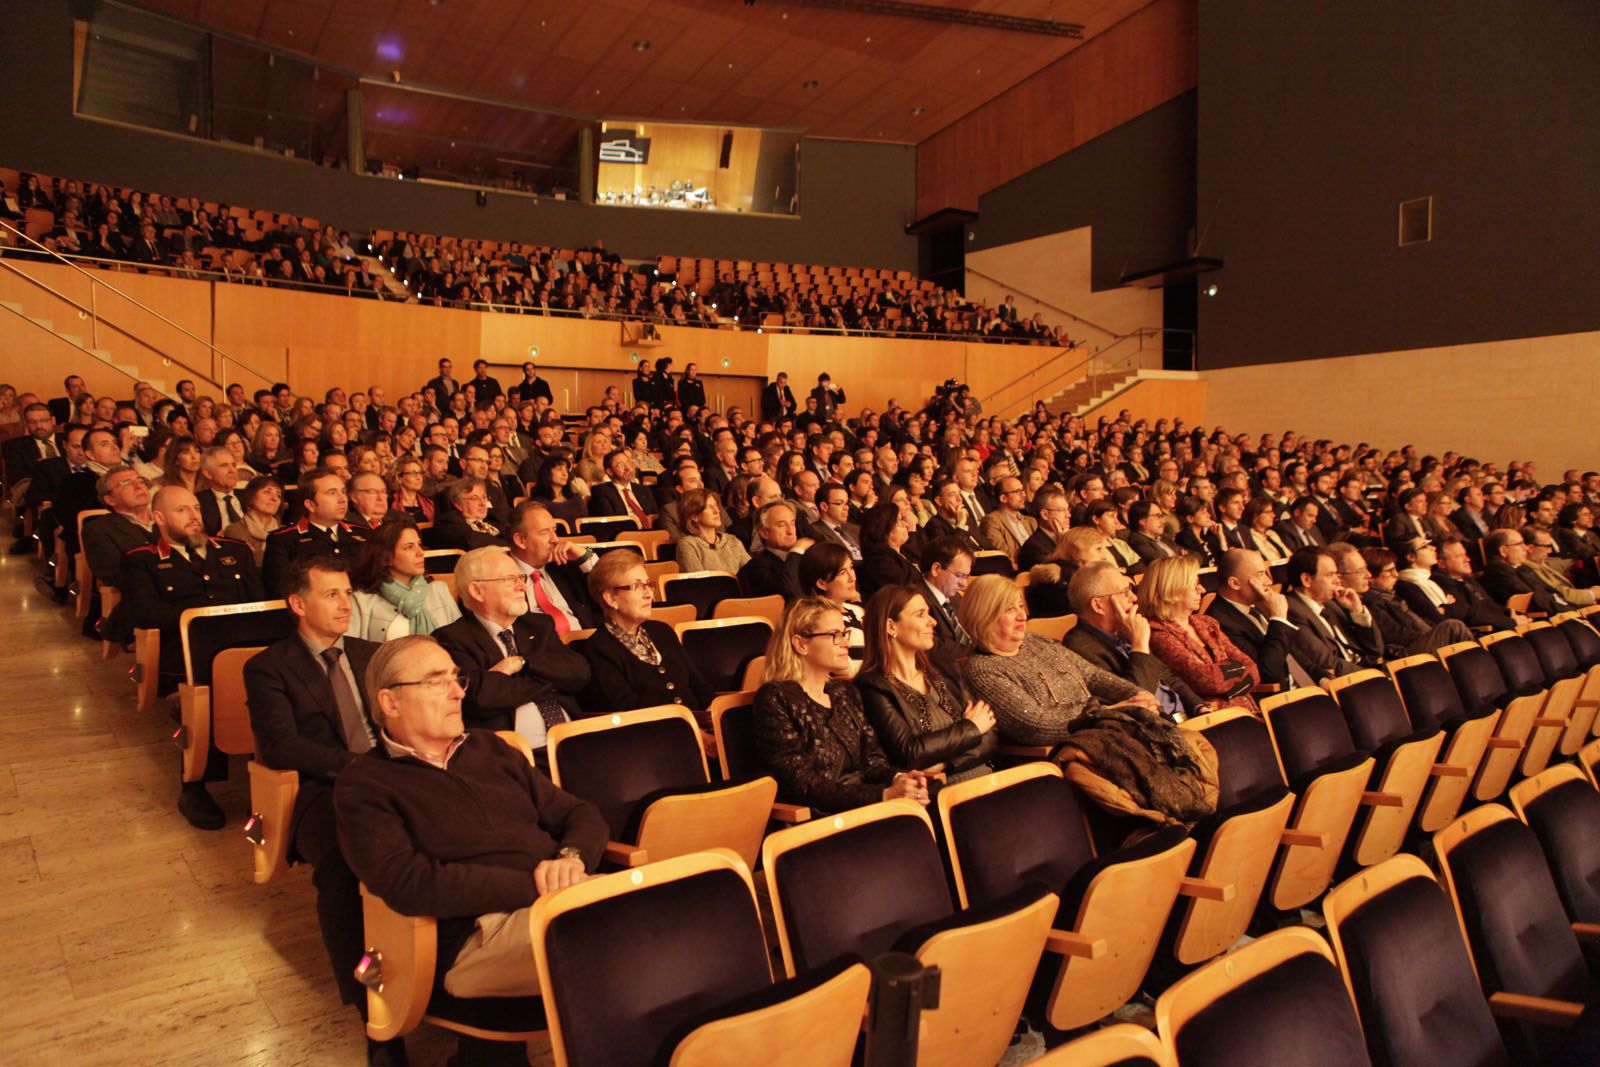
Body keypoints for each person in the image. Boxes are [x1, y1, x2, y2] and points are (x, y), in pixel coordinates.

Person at [334, 635, 607, 1066]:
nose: (458, 691)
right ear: (390, 702)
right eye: (435, 680)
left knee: (677, 906)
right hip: (474, 936)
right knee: (626, 938)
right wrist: (536, 884)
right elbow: (410, 883)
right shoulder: (365, 784)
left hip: (558, 897)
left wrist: (571, 858)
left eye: (455, 677)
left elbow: (579, 813)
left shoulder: (490, 747)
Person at [241, 556, 395, 1061]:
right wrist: (357, 767)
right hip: (320, 788)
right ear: (298, 603)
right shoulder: (269, 666)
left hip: (394, 773)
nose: (345, 604)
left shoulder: (372, 654)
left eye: (348, 593)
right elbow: (282, 745)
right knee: (343, 862)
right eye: (332, 594)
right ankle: (369, 1009)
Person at [110, 485, 264, 828]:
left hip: (242, 647)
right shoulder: (142, 559)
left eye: (196, 507)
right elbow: (145, 612)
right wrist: (205, 616)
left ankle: (273, 775)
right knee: (207, 686)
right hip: (183, 653)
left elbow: (260, 602)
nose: (195, 515)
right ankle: (193, 784)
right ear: (158, 518)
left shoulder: (235, 551)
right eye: (182, 510)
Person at [753, 597, 930, 813]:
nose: (845, 642)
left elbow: (873, 760)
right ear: (800, 644)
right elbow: (802, 785)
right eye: (834, 635)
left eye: (844, 633)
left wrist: (900, 779)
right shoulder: (775, 697)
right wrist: (883, 795)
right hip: (820, 819)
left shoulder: (844, 691)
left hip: (865, 807)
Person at [959, 574, 1155, 745]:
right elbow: (1036, 725)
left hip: (1102, 731)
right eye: (1010, 609)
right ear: (985, 616)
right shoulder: (982, 669)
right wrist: (1110, 712)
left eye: (1021, 606)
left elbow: (1092, 675)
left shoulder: (1035, 641)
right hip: (1074, 749)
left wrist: (1138, 694)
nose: (1022, 616)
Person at [433, 546, 591, 748]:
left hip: (573, 742)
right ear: (477, 591)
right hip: (514, 756)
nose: (522, 587)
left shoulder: (539, 625)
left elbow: (579, 673)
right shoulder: (451, 639)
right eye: (510, 580)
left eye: (521, 578)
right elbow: (480, 699)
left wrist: (520, 663)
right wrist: (547, 681)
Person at [856, 584, 997, 780]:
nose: (933, 622)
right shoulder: (873, 685)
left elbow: (988, 734)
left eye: (929, 613)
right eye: (920, 614)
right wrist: (971, 728)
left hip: (985, 777)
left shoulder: (945, 670)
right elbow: (909, 753)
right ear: (890, 626)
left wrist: (947, 764)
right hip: (940, 793)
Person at [578, 549, 713, 713]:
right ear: (611, 598)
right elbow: (626, 710)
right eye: (637, 586)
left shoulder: (662, 631)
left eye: (649, 584)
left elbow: (700, 688)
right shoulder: (599, 648)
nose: (649, 594)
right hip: (656, 735)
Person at [1066, 561, 1201, 720]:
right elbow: (1135, 703)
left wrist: (1199, 707)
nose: (1134, 597)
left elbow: (1167, 676)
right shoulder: (1080, 649)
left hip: (1187, 718)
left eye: (1130, 589)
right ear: (1098, 606)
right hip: (1157, 729)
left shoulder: (1124, 629)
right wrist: (1140, 646)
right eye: (1125, 592)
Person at [1139, 555, 1262, 713]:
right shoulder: (1157, 633)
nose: (1202, 590)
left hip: (1245, 711)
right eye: (1195, 585)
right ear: (1172, 591)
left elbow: (1252, 669)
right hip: (1211, 720)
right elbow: (1208, 680)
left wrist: (1226, 692)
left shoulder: (1207, 623)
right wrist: (1237, 674)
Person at [1204, 549, 1307, 689]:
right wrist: (1278, 618)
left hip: (1304, 686)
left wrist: (1321, 677)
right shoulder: (1219, 622)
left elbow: (1293, 653)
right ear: (1235, 583)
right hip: (1277, 697)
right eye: (1260, 574)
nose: (1269, 581)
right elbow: (1267, 674)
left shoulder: (1258, 604)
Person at [346, 518, 462, 642]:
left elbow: (461, 642)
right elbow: (353, 652)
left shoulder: (439, 590)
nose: (420, 552)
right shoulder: (361, 601)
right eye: (409, 547)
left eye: (419, 545)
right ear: (386, 557)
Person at [262, 468, 370, 596]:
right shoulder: (283, 540)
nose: (342, 499)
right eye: (332, 493)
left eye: (343, 492)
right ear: (310, 505)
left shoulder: (364, 534)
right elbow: (281, 591)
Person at [1355, 544, 1473, 656]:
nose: (1396, 575)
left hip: (1419, 640)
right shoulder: (1371, 602)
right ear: (1372, 576)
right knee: (1453, 627)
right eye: (1389, 571)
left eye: (1395, 569)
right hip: (1405, 651)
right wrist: (1427, 635)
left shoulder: (1393, 597)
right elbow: (1390, 636)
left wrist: (1433, 632)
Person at [1283, 546, 1382, 678]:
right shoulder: (1292, 611)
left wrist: (1357, 611)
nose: (1337, 580)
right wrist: (1374, 675)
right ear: (1307, 579)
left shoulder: (1332, 603)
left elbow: (1376, 650)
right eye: (1330, 575)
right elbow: (1327, 663)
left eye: (1336, 574)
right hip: (1346, 681)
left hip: (1362, 670)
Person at [507, 500, 599, 633]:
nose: (555, 539)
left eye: (554, 530)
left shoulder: (565, 565)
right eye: (544, 532)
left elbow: (611, 586)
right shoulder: (501, 576)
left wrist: (584, 555)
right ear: (520, 540)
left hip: (587, 643)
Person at [797, 542, 866, 674]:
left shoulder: (857, 611)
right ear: (822, 583)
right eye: (842, 573)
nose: (852, 578)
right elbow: (848, 672)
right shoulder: (817, 620)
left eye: (851, 568)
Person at [1431, 533, 1517, 631]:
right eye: (1459, 556)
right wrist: (1511, 622)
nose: (1467, 559)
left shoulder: (1467, 578)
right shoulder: (1443, 583)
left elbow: (1489, 605)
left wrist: (1511, 613)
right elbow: (1473, 616)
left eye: (1465, 554)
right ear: (1442, 564)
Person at [739, 500, 807, 598]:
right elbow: (789, 590)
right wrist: (796, 550)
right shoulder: (757, 566)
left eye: (792, 523)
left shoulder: (807, 556)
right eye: (782, 525)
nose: (791, 531)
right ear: (764, 533)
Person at [673, 489, 750, 573]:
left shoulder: (732, 540)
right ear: (694, 516)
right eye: (709, 507)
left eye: (716, 506)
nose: (717, 511)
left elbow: (752, 573)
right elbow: (699, 583)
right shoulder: (688, 545)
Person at [857, 500, 920, 600]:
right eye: (899, 521)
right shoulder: (877, 559)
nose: (906, 525)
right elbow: (906, 588)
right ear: (883, 528)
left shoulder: (902, 553)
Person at [426, 477, 506, 551]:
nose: (482, 503)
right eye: (474, 498)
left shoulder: (493, 519)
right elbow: (472, 541)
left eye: (484, 497)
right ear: (458, 504)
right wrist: (512, 544)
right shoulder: (448, 522)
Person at [222, 474, 283, 565]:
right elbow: (249, 560)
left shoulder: (285, 531)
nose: (274, 498)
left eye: (278, 495)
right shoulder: (235, 530)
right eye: (267, 492)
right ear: (250, 498)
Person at [586, 449, 657, 528]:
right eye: (621, 465)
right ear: (610, 472)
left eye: (628, 462)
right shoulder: (601, 491)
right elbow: (611, 523)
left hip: (651, 533)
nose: (627, 468)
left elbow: (655, 517)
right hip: (625, 535)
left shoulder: (643, 490)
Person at [978, 474, 1037, 565]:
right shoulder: (992, 520)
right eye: (1017, 491)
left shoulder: (1031, 521)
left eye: (1023, 490)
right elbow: (1002, 553)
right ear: (1003, 498)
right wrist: (1034, 553)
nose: (1023, 495)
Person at [1126, 499, 1181, 566]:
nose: (1163, 521)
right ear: (1142, 521)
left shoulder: (1164, 537)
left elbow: (1185, 551)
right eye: (1157, 516)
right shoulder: (1137, 541)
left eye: (1161, 516)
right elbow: (1162, 562)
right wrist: (1182, 559)